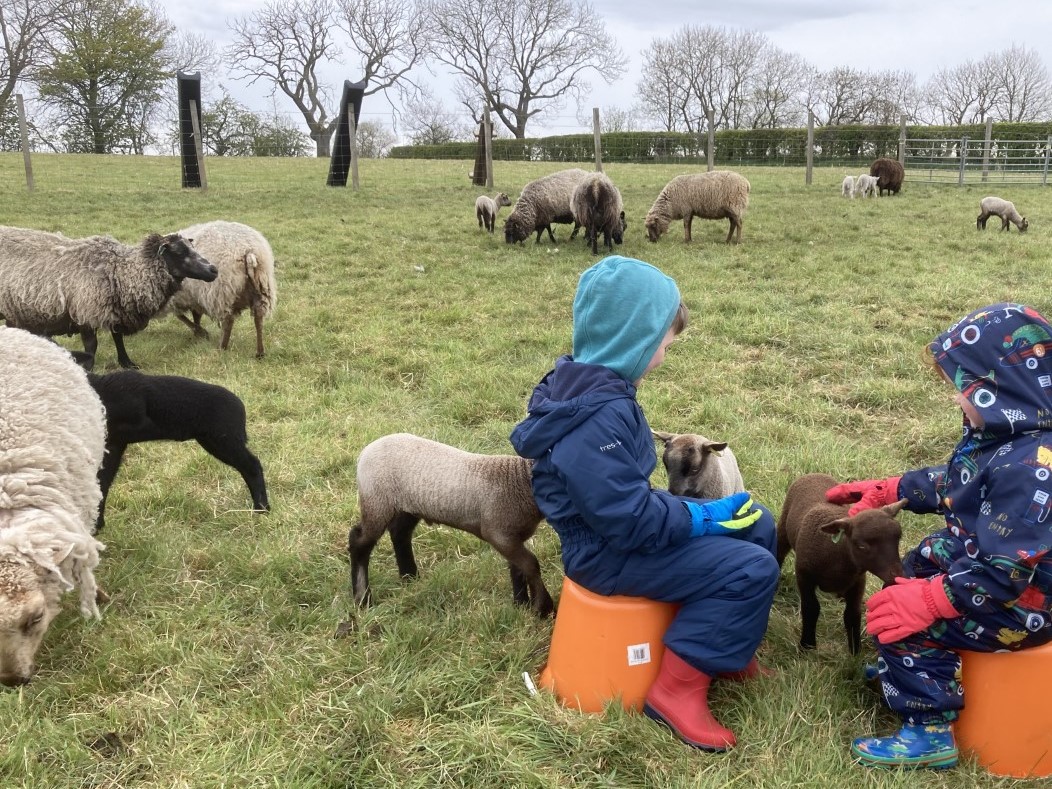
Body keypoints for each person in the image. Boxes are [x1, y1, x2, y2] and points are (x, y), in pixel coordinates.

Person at [509, 255, 780, 752]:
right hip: (606, 555)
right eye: (664, 344)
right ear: (632, 339)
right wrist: (700, 517)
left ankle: (729, 648)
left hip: (621, 527)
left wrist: (706, 517)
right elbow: (630, 524)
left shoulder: (595, 389)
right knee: (752, 568)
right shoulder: (596, 421)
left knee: (758, 522)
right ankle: (676, 691)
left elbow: (623, 498)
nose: (665, 354)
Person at [827, 302, 1052, 770]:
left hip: (1025, 598)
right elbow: (958, 480)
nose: (957, 398)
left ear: (1003, 390)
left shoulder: (1031, 469)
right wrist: (891, 489)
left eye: (965, 388)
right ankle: (916, 669)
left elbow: (1003, 571)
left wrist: (929, 602)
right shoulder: (1004, 435)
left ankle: (927, 728)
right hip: (990, 563)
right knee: (920, 560)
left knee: (899, 616)